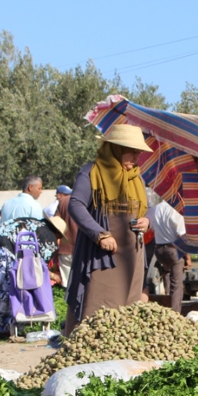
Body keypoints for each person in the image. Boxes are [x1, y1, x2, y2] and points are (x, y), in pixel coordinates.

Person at [64, 124, 152, 334]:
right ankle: (89, 357)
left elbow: (144, 210)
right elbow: (75, 204)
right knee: (99, 308)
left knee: (129, 309)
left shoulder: (136, 177)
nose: (136, 158)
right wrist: (99, 234)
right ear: (116, 148)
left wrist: (146, 221)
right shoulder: (91, 172)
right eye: (132, 152)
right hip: (103, 254)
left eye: (138, 153)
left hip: (133, 254)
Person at [149, 196, 188, 313]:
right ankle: (175, 313)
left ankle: (166, 310)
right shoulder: (176, 210)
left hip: (159, 250)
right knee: (176, 286)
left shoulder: (157, 208)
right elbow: (181, 235)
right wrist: (188, 256)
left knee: (167, 279)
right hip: (173, 250)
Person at [46, 185, 75, 287]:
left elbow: (55, 224)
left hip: (65, 248)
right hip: (81, 249)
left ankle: (67, 303)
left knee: (67, 285)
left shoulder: (62, 202)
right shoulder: (84, 201)